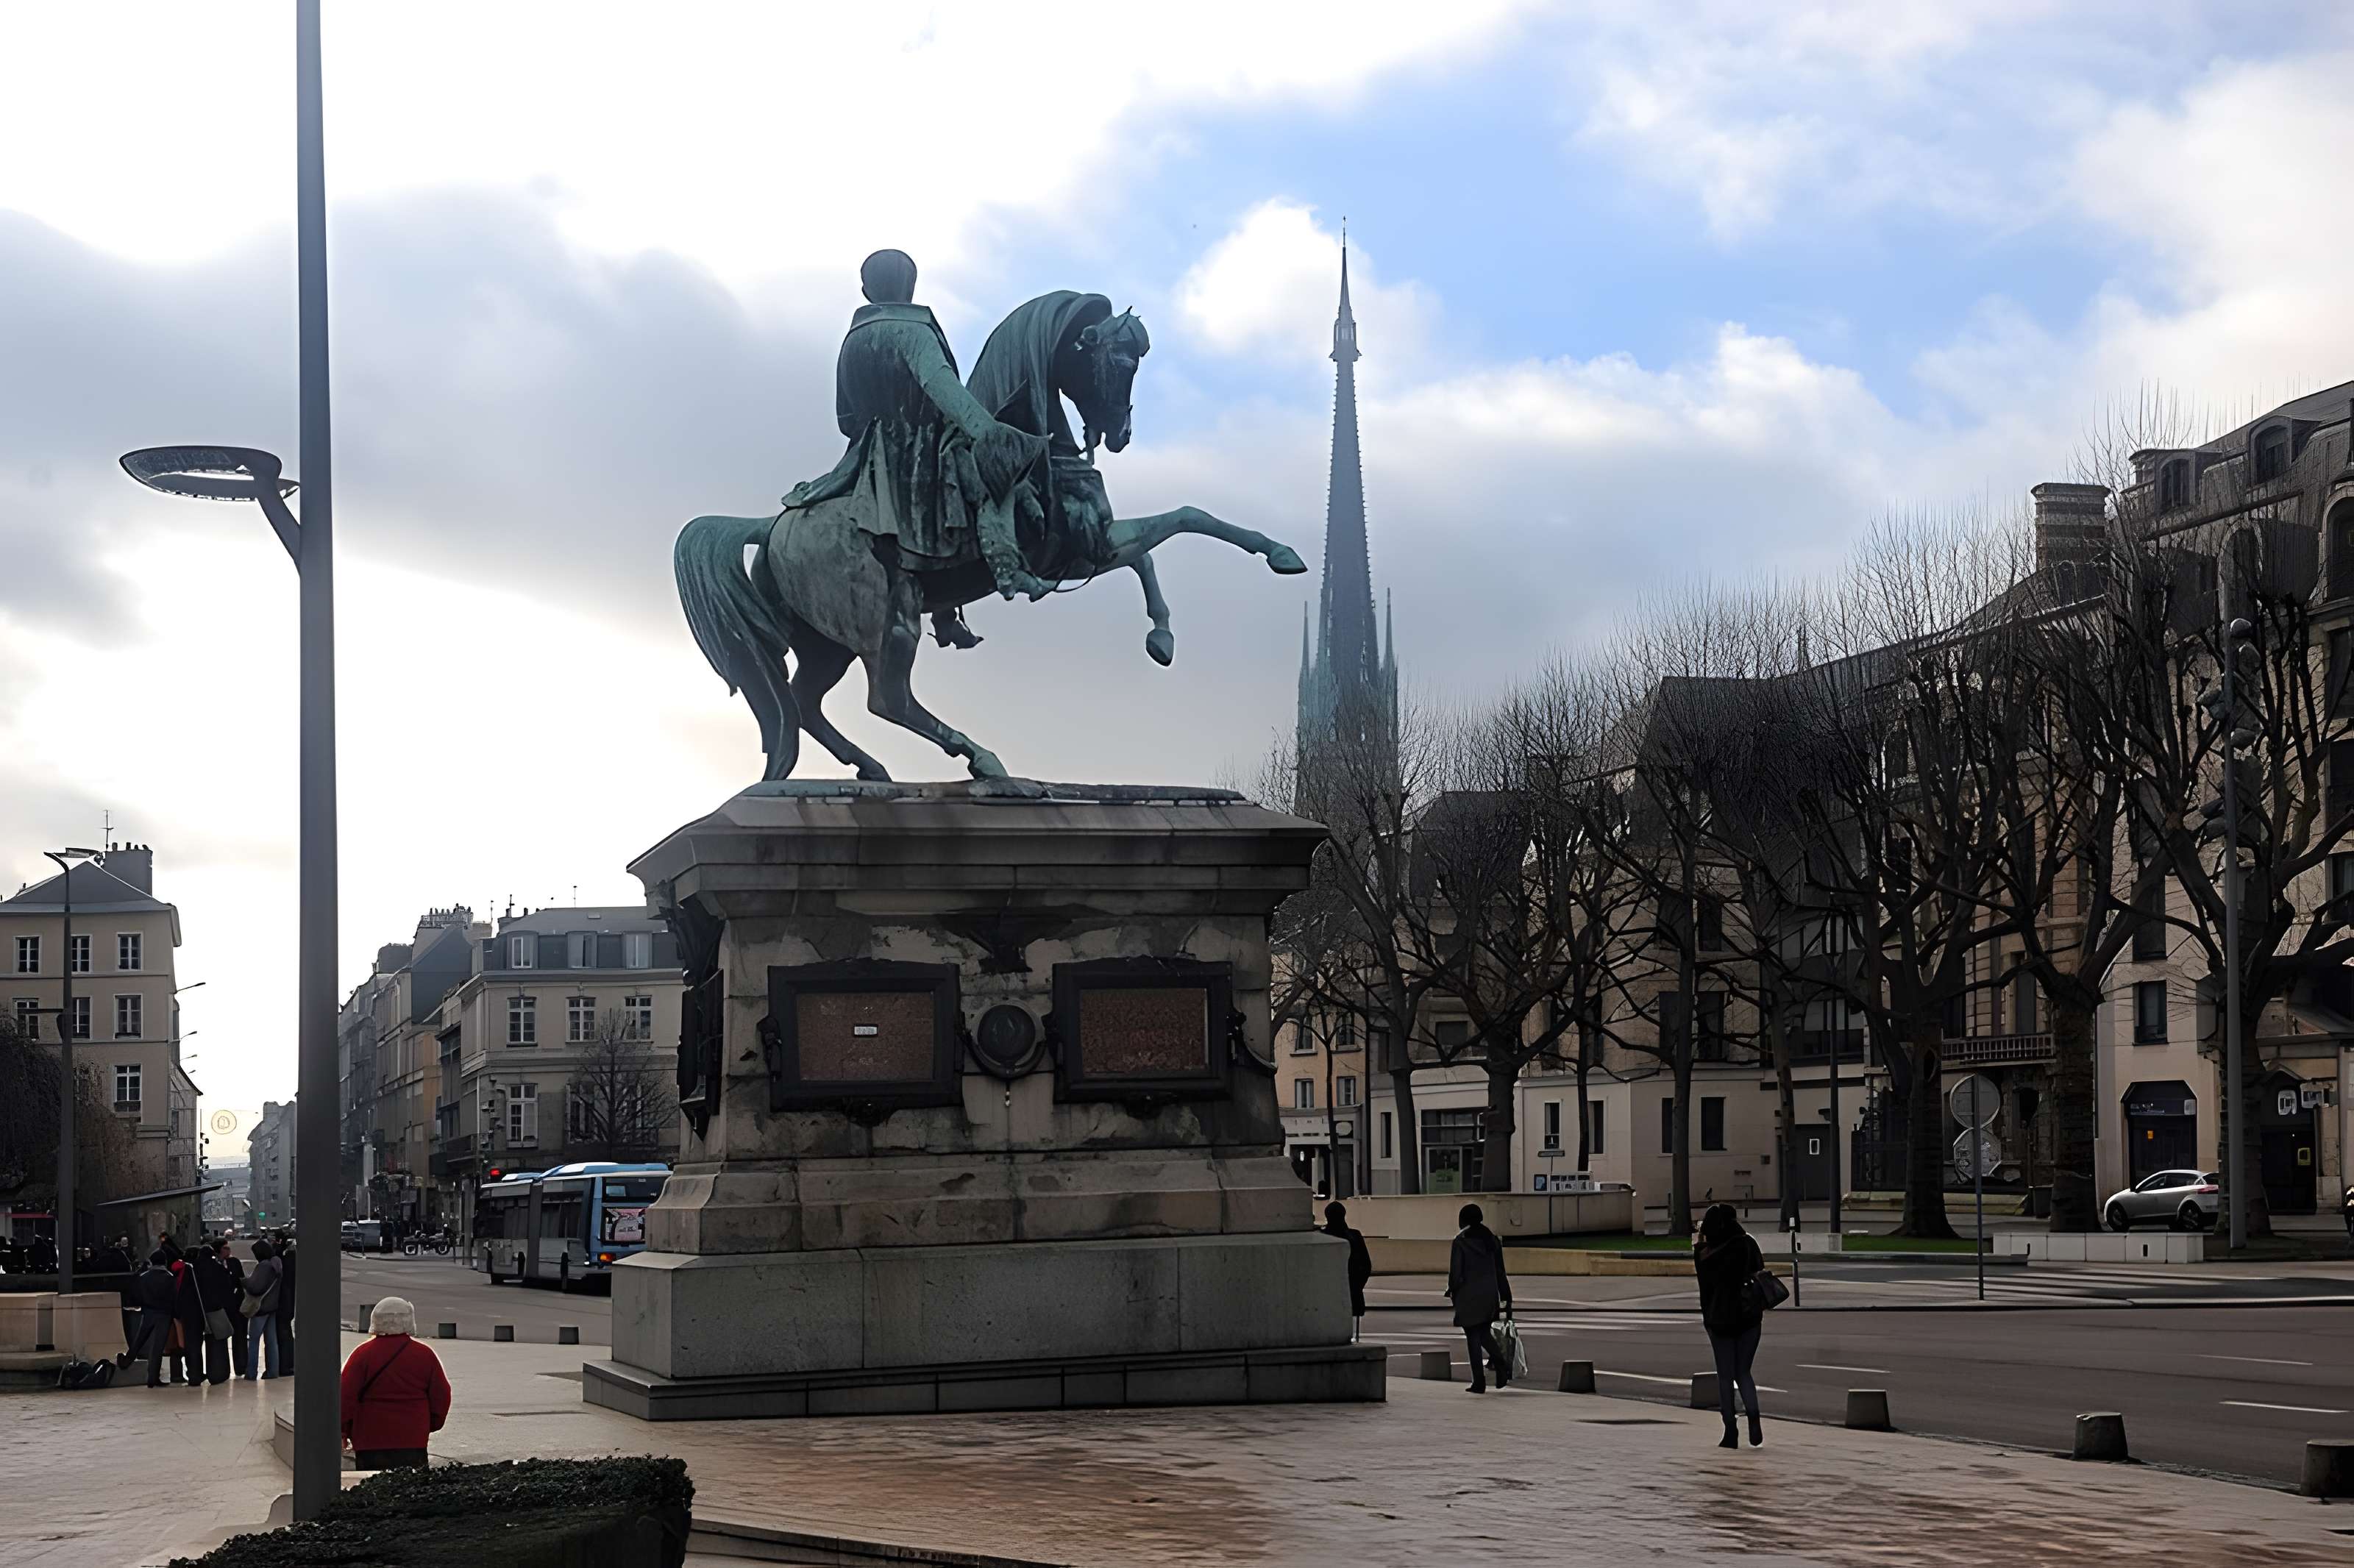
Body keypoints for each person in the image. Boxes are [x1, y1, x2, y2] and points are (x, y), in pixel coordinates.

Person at [782, 249, 1051, 644]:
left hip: (867, 456)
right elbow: (941, 387)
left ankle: (946, 615)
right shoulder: (914, 331)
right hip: (921, 448)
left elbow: (846, 418)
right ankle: (1010, 571)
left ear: (867, 291)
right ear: (910, 286)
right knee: (993, 480)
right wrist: (988, 432)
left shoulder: (852, 341)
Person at [340, 1297, 450, 1472]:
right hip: (413, 1439)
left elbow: (345, 1396)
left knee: (372, 1485)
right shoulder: (425, 1355)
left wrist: (343, 1430)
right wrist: (429, 1424)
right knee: (410, 1485)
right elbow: (441, 1396)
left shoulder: (362, 1354)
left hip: (370, 1440)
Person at [1695, 1202, 1766, 1448]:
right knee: (1743, 1372)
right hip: (1749, 1317)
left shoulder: (1705, 1253)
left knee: (1725, 1376)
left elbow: (1705, 1288)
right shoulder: (1748, 1244)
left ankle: (1730, 1431)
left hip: (1720, 1320)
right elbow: (1760, 1270)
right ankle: (1754, 1416)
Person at [1446, 1202, 1512, 1393]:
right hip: (1489, 1294)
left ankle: (1479, 1381)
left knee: (1473, 1337)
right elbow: (1500, 1271)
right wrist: (1506, 1297)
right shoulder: (1491, 1240)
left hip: (1468, 1294)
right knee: (1483, 1333)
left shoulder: (1461, 1241)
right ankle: (1500, 1364)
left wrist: (1452, 1290)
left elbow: (1456, 1272)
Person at [187, 1238, 238, 1385]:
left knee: (195, 1344)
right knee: (218, 1340)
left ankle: (195, 1374)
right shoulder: (218, 1268)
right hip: (216, 1310)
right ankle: (218, 1373)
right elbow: (227, 1288)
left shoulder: (193, 1269)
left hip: (197, 1310)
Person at [1322, 1201, 1374, 1338]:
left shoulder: (1323, 1237)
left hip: (1330, 1289)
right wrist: (1358, 1285)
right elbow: (1366, 1265)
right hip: (1352, 1287)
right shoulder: (1354, 1236)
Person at [129, 1250, 179, 1388]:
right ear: (165, 1262)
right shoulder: (170, 1278)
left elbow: (136, 1296)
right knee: (157, 1347)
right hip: (164, 1314)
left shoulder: (143, 1277)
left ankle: (127, 1360)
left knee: (139, 1340)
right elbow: (174, 1298)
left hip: (148, 1312)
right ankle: (153, 1378)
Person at [241, 1239, 284, 1380]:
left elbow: (255, 1287)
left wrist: (244, 1281)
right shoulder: (276, 1264)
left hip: (260, 1308)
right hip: (272, 1307)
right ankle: (272, 1372)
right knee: (271, 1341)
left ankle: (251, 1373)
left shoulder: (264, 1266)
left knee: (254, 1341)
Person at [217, 1239, 251, 1378]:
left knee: (240, 1336)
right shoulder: (215, 1265)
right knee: (221, 1338)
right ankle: (222, 1369)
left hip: (237, 1304)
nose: (229, 1250)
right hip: (222, 1306)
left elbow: (240, 1279)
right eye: (225, 1248)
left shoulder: (234, 1262)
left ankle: (241, 1366)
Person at [272, 1230, 298, 1370]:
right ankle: (288, 1363)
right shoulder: (292, 1258)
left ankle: (284, 1364)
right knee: (286, 1333)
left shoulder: (283, 1259)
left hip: (282, 1302)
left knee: (282, 1333)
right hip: (289, 1301)